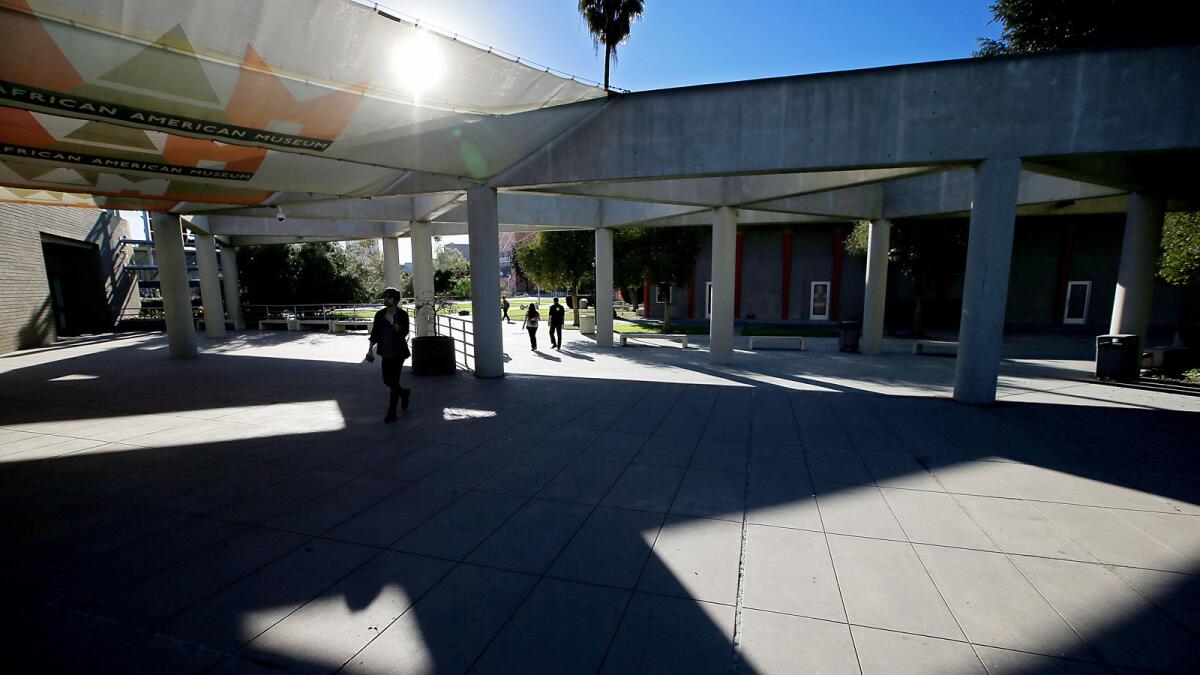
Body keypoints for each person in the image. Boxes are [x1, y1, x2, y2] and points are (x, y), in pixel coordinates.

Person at [365, 287, 410, 422]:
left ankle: (392, 412)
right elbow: (375, 334)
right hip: (385, 353)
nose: (385, 299)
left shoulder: (402, 315)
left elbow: (403, 333)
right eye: (384, 296)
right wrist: (370, 349)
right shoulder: (379, 315)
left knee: (394, 381)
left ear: (395, 300)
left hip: (398, 353)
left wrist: (392, 321)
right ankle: (404, 393)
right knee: (387, 381)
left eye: (388, 297)